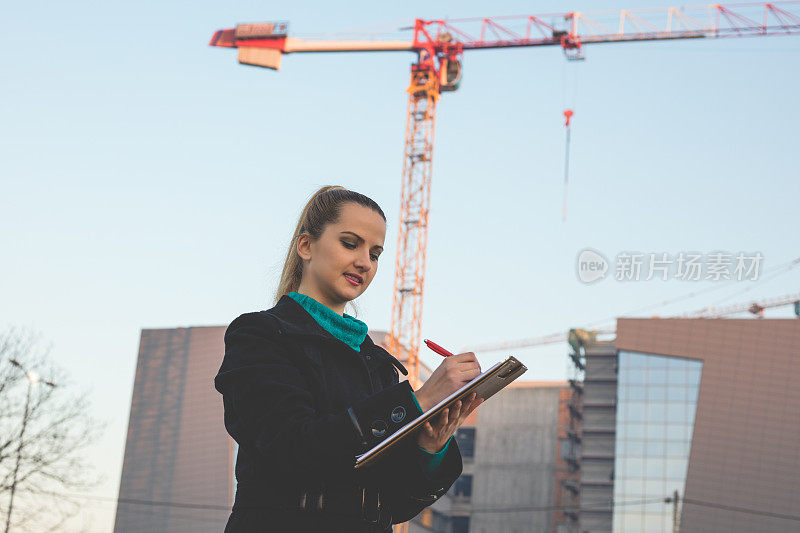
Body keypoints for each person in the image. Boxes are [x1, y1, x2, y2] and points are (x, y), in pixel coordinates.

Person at [214, 185, 484, 532]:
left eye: (375, 253)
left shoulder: (378, 364)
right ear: (306, 245)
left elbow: (394, 503)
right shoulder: (259, 335)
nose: (364, 262)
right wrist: (419, 399)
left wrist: (430, 446)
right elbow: (291, 448)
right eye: (350, 243)